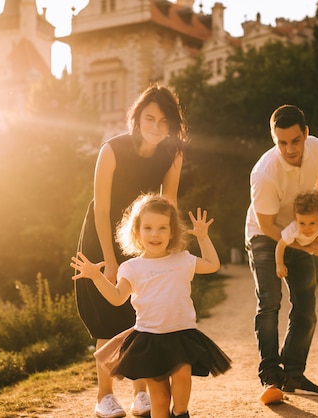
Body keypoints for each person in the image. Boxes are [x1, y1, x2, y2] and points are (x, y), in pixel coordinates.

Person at [75, 84, 188, 417]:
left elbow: (169, 205)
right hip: (102, 236)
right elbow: (101, 208)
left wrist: (169, 251)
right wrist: (109, 260)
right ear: (136, 119)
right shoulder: (112, 149)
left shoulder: (173, 153)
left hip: (143, 235)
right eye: (149, 118)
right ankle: (104, 397)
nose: (155, 125)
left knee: (141, 315)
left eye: (163, 121)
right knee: (107, 320)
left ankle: (141, 394)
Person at [71, 193, 232, 418]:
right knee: (160, 398)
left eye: (162, 228)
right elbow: (117, 298)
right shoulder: (131, 268)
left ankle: (181, 413)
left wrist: (203, 237)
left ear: (172, 231)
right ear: (136, 231)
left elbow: (213, 264)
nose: (155, 234)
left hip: (182, 335)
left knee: (183, 374)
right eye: (148, 228)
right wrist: (97, 277)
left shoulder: (182, 259)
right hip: (149, 339)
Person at [244, 104, 318, 404]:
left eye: (295, 141)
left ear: (306, 134)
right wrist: (307, 246)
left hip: (300, 231)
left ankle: (294, 373)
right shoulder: (264, 173)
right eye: (281, 142)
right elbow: (267, 225)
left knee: (307, 306)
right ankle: (271, 375)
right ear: (273, 138)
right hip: (264, 237)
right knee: (270, 302)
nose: (289, 149)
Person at [275, 191, 318, 279]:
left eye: (312, 223)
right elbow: (281, 245)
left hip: (316, 241)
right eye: (302, 223)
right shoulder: (294, 228)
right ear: (296, 219)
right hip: (297, 245)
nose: (307, 228)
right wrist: (279, 264)